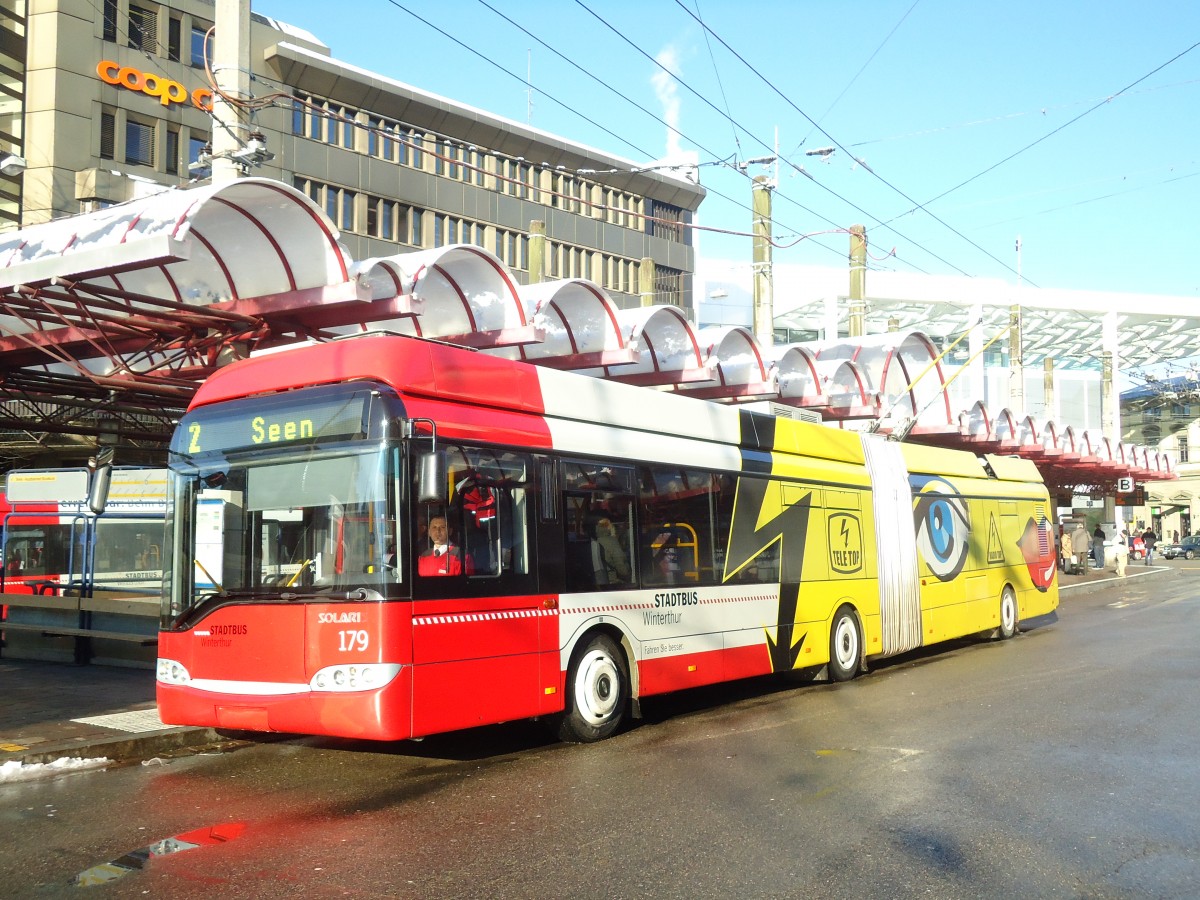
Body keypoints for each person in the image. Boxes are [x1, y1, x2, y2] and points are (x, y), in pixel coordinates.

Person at [593, 518, 631, 585]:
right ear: (609, 528)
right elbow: (622, 568)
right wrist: (630, 572)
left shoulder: (595, 541)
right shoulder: (612, 542)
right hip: (612, 581)